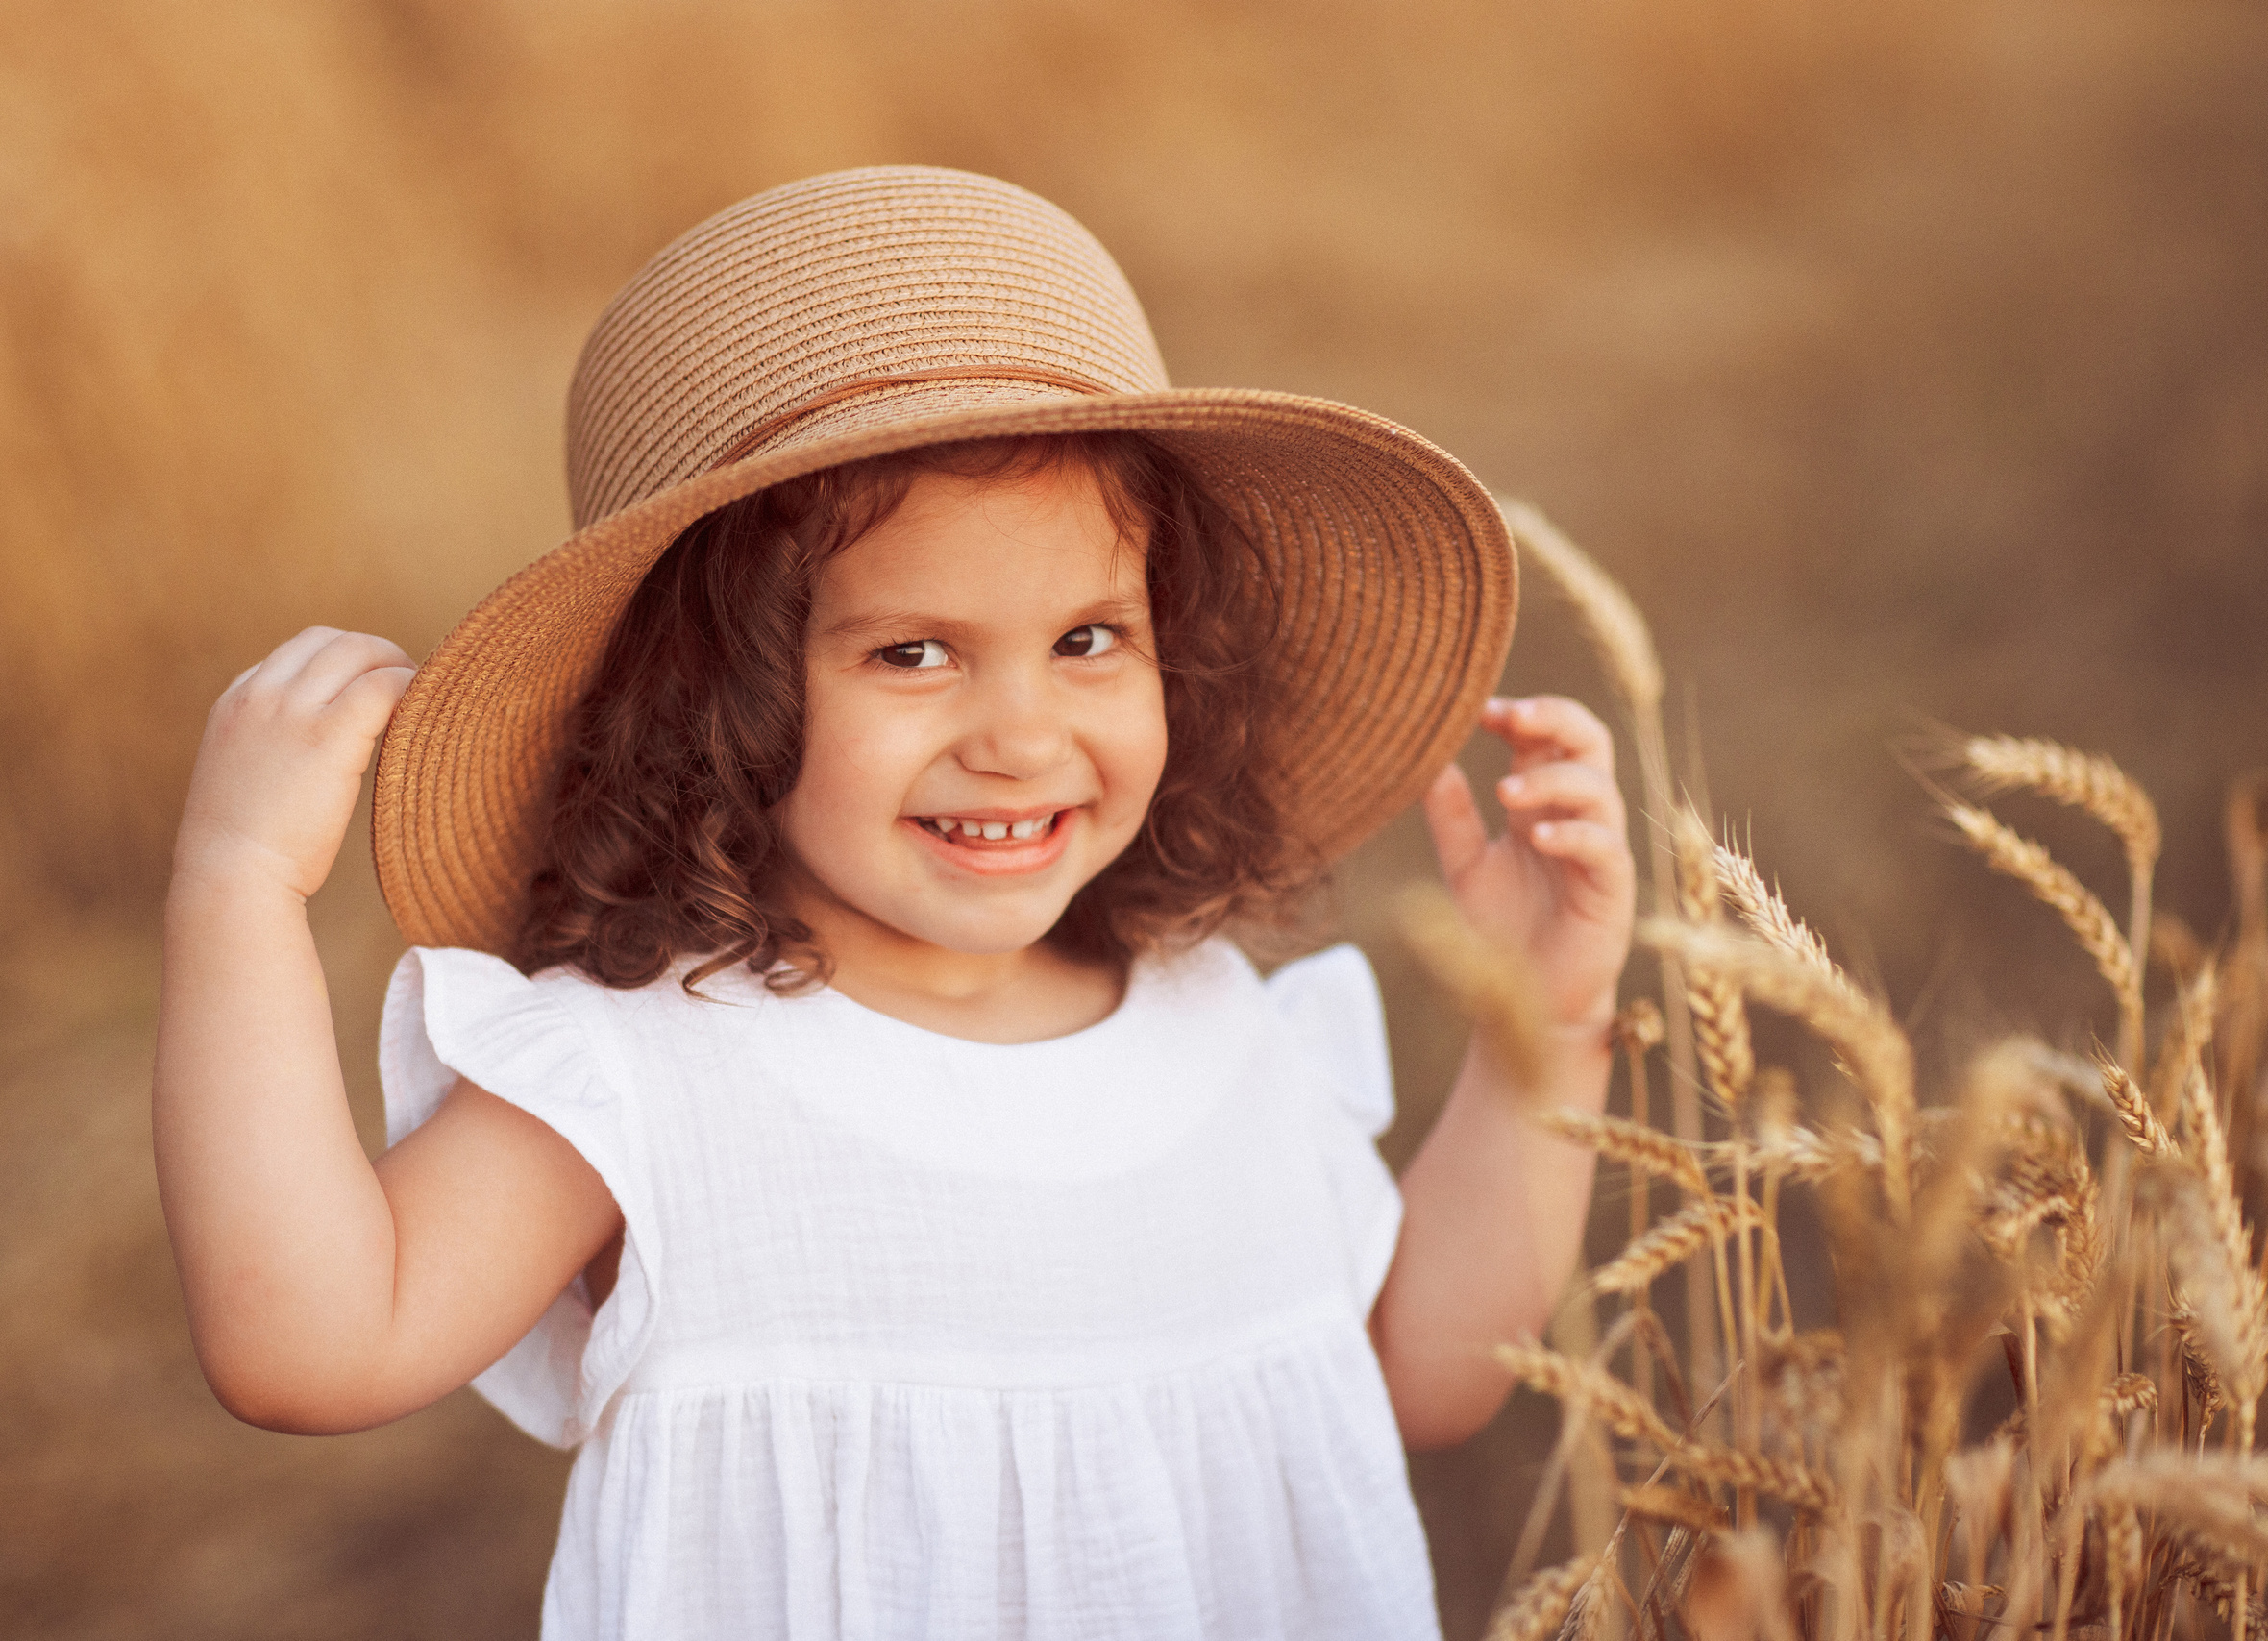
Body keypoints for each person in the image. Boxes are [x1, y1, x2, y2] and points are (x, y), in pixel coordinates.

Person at [152, 167, 1633, 1640]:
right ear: (714, 704)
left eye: (1088, 638)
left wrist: (1543, 1031)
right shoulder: (645, 1075)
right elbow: (311, 1347)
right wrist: (243, 890)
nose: (1021, 734)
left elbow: (1422, 1376)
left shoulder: (1217, 1027)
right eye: (914, 654)